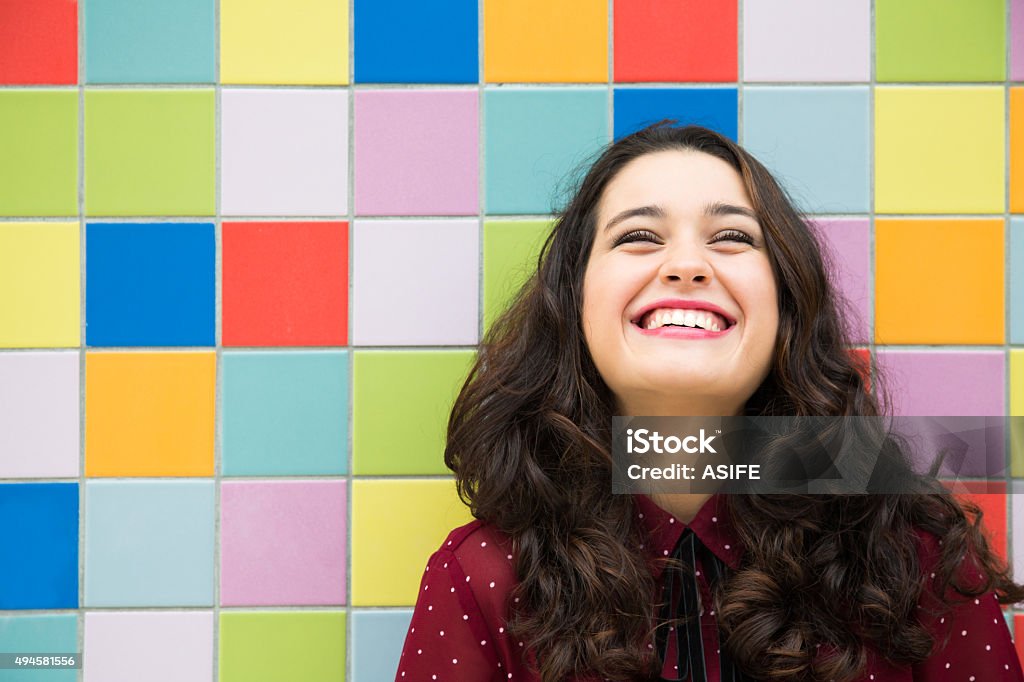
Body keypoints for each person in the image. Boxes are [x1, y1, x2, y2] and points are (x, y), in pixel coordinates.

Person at [394, 123, 1024, 681]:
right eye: (639, 235)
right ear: (575, 303)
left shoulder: (915, 554)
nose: (688, 264)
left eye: (731, 237)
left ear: (786, 308)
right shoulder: (479, 576)